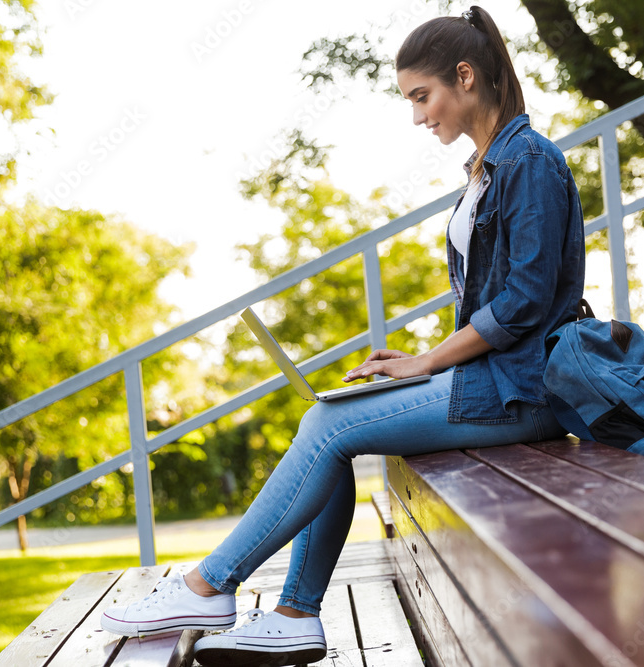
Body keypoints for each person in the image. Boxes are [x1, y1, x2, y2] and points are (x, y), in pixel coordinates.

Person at [100, 6, 586, 666]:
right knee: (327, 418)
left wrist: (428, 362)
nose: (418, 116)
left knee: (328, 427)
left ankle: (209, 586)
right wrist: (427, 363)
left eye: (423, 96)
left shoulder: (530, 161)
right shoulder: (487, 168)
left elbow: (524, 304)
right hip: (493, 381)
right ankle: (294, 613)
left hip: (523, 392)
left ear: (465, 77)